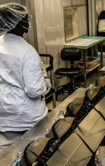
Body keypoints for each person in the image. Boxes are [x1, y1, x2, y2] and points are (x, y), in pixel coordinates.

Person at [0, 3, 50, 152]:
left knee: (6, 154)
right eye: (26, 19)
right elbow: (34, 91)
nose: (29, 22)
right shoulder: (28, 52)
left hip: (5, 110)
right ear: (18, 22)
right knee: (35, 152)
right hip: (27, 114)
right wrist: (45, 85)